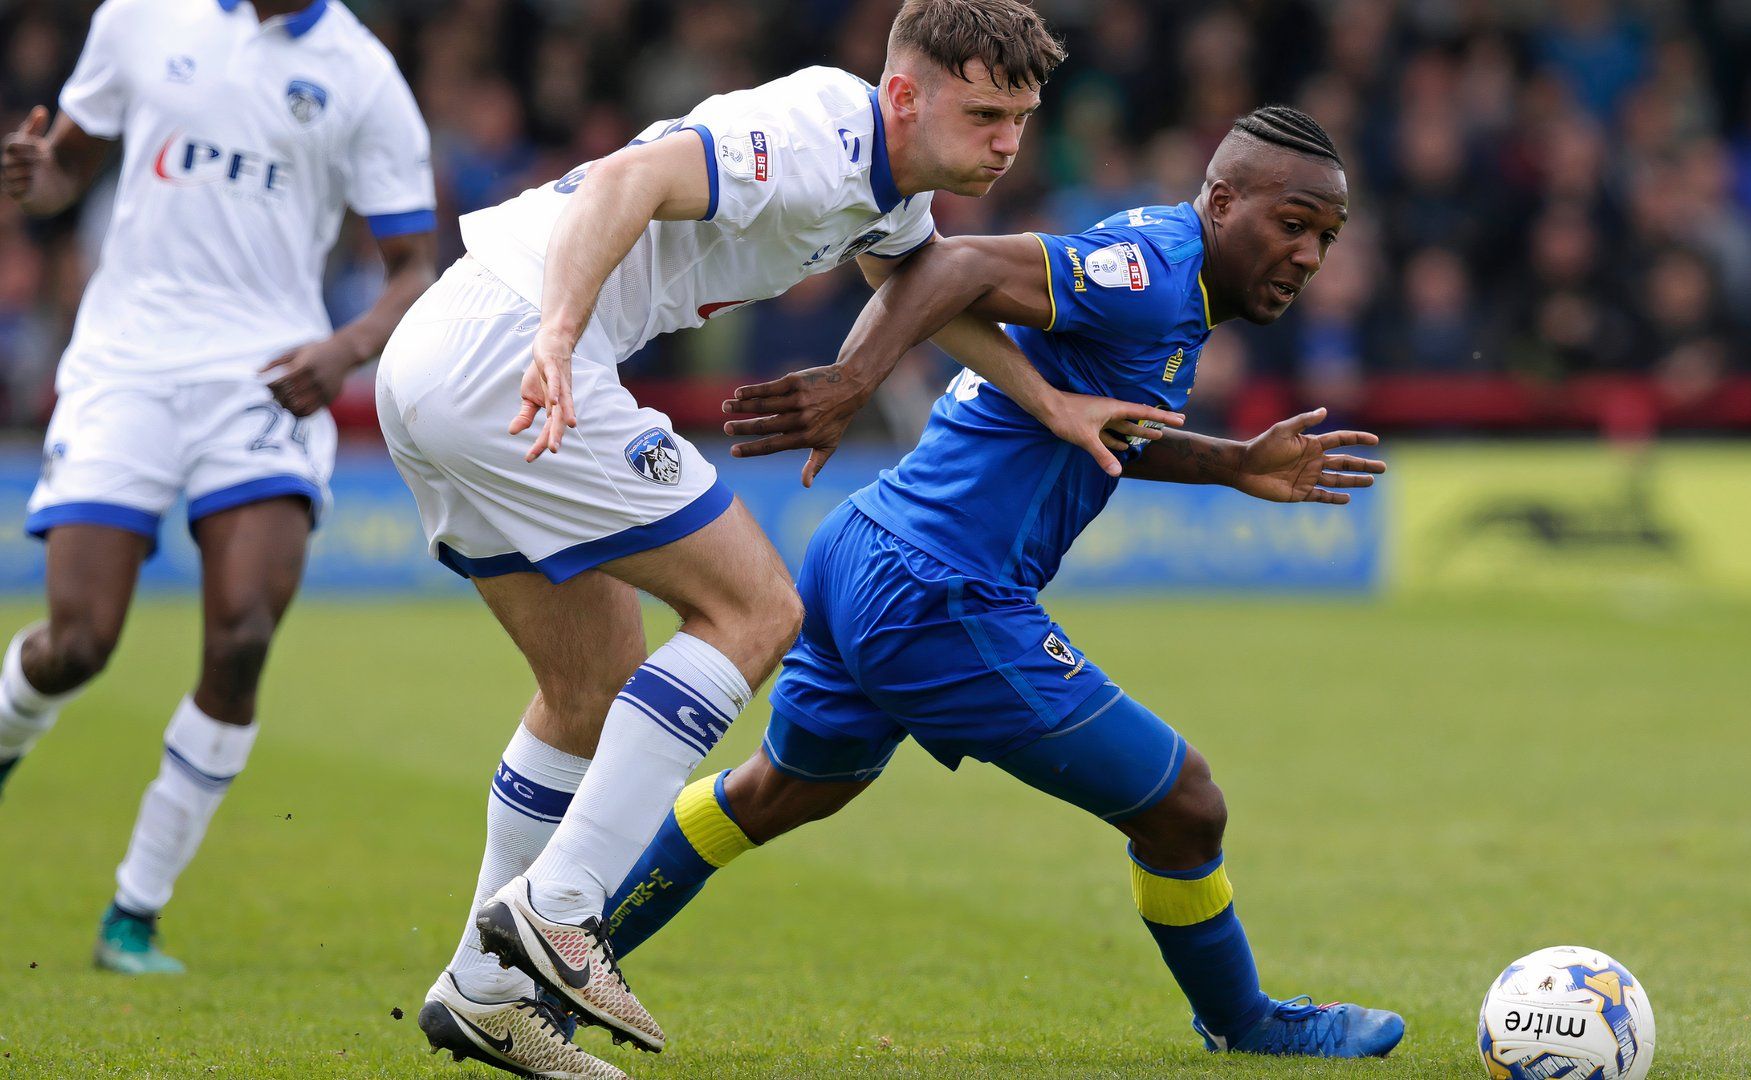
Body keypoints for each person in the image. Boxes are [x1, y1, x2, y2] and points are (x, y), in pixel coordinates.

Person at [379, 4, 1177, 1076]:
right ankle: (561, 908)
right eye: (984, 113)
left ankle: (485, 992)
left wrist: (1051, 401)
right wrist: (562, 339)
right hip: (516, 350)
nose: (1005, 143)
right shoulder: (816, 135)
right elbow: (627, 179)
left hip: (439, 362)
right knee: (758, 610)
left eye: (1022, 120)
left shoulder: (885, 191)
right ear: (904, 96)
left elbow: (919, 285)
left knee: (590, 687)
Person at [599, 105, 1407, 1060]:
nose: (1309, 255)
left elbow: (1092, 425)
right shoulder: (1149, 274)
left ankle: (555, 960)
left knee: (781, 790)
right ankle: (1246, 1025)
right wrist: (855, 380)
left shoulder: (1168, 288)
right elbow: (953, 265)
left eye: (1327, 237)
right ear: (1223, 201)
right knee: (1185, 803)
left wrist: (1234, 466)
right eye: (1293, 223)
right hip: (941, 592)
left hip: (865, 547)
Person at [0, 0, 436, 974]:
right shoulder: (139, 18)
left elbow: (413, 264)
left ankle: (134, 911)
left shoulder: (362, 73)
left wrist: (347, 349)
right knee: (79, 643)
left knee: (240, 637)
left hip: (267, 371)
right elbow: (71, 160)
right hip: (126, 364)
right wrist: (37, 179)